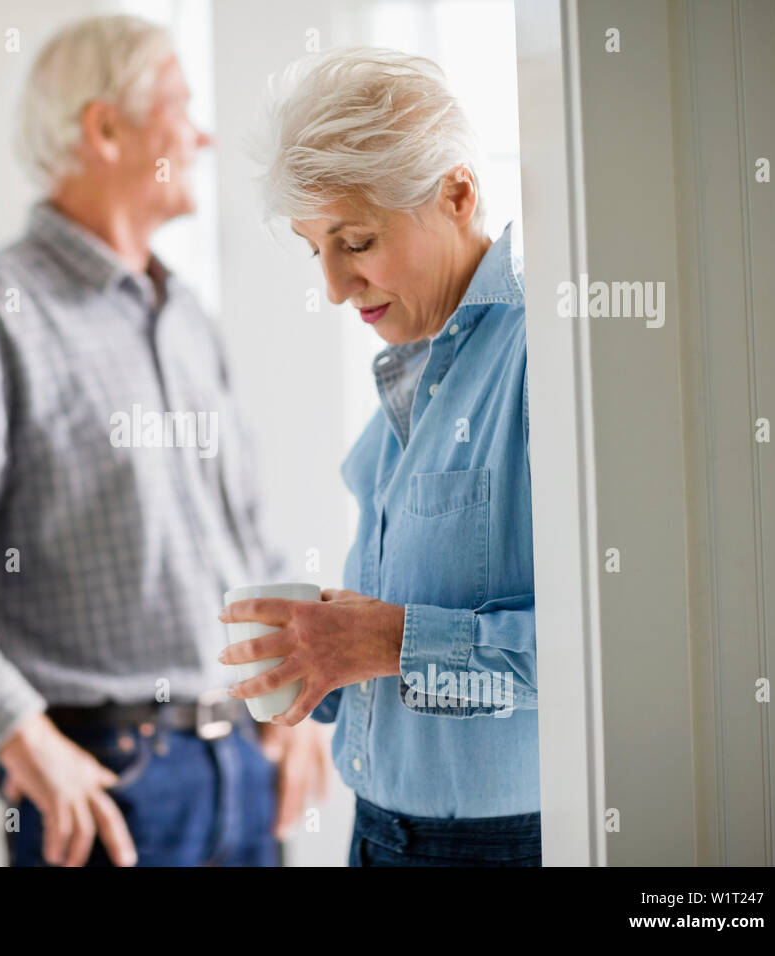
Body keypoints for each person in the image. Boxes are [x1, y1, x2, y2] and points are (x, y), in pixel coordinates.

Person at [0, 14, 328, 868]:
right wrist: (19, 734)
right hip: (111, 789)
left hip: (245, 770)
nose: (203, 136)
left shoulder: (190, 318)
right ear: (105, 129)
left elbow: (245, 538)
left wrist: (291, 702)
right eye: (182, 108)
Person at [221, 47, 540, 866]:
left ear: (458, 194)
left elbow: (598, 654)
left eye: (355, 241)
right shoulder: (418, 371)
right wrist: (329, 651)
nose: (332, 286)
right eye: (314, 249)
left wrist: (387, 642)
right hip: (378, 832)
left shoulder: (546, 356)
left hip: (495, 848)